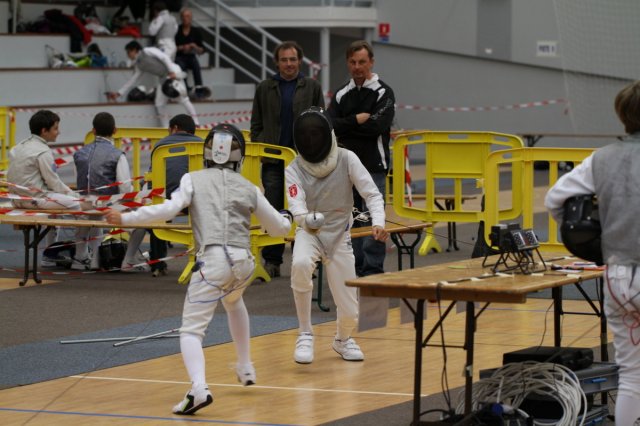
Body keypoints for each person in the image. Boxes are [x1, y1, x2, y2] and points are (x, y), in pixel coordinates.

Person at [106, 123, 291, 415]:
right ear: (239, 156)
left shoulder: (192, 179)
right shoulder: (249, 187)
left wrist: (126, 218)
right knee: (234, 301)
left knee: (191, 331)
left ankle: (199, 389)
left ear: (207, 153)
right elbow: (279, 228)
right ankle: (245, 367)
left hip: (214, 264)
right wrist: (287, 217)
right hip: (244, 264)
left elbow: (167, 210)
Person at [544, 80, 640, 426]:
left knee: (632, 376)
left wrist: (596, 241)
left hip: (618, 277)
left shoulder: (602, 158)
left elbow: (555, 200)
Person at [285, 107, 388, 364]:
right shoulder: (294, 167)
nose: (311, 140)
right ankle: (305, 332)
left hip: (340, 234)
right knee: (300, 264)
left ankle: (342, 339)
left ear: (327, 134)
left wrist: (378, 222)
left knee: (351, 308)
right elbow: (296, 205)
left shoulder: (347, 158)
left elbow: (372, 193)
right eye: (306, 135)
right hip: (309, 232)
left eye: (315, 134)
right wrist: (306, 219)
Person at [250, 40, 325, 278]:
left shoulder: (312, 86)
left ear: (300, 61)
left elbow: (321, 121)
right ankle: (272, 260)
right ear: (277, 62)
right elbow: (256, 123)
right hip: (273, 161)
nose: (289, 64)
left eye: (293, 59)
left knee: (304, 210)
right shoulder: (264, 88)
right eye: (284, 60)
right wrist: (261, 144)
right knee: (273, 210)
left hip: (304, 161)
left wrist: (314, 150)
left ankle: (305, 260)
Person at [327, 40, 395, 278]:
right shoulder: (341, 94)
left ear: (371, 62)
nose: (357, 67)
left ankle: (373, 271)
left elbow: (376, 127)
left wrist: (346, 128)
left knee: (373, 217)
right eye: (353, 62)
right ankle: (354, 270)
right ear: (348, 63)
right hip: (345, 168)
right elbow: (330, 124)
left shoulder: (384, 92)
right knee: (352, 220)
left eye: (362, 62)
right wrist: (356, 120)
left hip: (374, 167)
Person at [125, 114, 203, 276]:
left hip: (166, 199)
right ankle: (203, 260)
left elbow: (153, 176)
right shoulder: (201, 144)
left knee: (158, 214)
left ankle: (157, 264)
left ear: (175, 128)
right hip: (194, 200)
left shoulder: (161, 145)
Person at [7, 110, 80, 267]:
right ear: (44, 131)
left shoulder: (18, 147)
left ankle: (49, 255)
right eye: (55, 128)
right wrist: (75, 195)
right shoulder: (43, 151)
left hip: (16, 200)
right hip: (35, 201)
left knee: (56, 208)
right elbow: (54, 182)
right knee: (78, 204)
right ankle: (82, 255)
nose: (58, 132)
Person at [72, 112, 133, 271]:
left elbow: (78, 180)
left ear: (93, 130)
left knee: (89, 216)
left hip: (84, 202)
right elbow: (125, 187)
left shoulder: (79, 153)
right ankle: (129, 260)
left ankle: (81, 258)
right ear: (115, 130)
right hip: (108, 203)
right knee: (139, 222)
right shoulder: (117, 154)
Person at [106, 40, 199, 128]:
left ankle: (196, 123)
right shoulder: (139, 65)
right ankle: (166, 128)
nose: (128, 55)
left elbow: (164, 57)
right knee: (159, 104)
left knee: (183, 99)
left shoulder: (147, 51)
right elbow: (133, 80)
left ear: (134, 50)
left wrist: (171, 71)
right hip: (163, 79)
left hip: (173, 73)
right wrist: (119, 93)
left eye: (128, 52)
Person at [175, 7, 206, 96]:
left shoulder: (195, 31)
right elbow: (172, 47)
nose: (185, 18)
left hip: (191, 56)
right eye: (184, 16)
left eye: (188, 16)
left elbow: (202, 49)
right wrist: (182, 47)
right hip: (179, 56)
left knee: (196, 65)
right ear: (181, 18)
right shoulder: (177, 30)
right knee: (181, 66)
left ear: (191, 18)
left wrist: (194, 46)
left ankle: (199, 89)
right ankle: (185, 89)